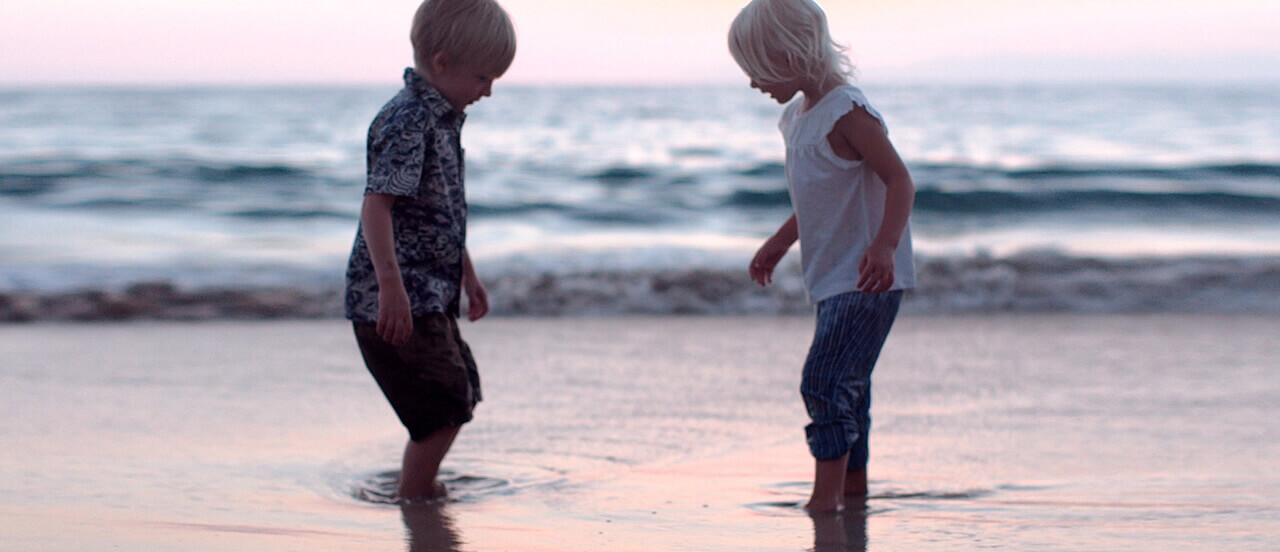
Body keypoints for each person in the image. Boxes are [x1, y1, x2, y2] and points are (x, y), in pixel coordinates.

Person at [728, 0, 917, 512]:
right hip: (831, 276)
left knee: (825, 382)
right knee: (851, 389)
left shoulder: (848, 111)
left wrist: (884, 245)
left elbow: (899, 179)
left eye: (757, 69)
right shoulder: (797, 118)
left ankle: (825, 501)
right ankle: (853, 493)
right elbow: (819, 196)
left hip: (867, 277)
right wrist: (782, 239)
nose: (752, 83)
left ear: (792, 54)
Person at [344, 0, 515, 502]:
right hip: (398, 300)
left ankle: (418, 489)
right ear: (442, 63)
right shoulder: (409, 120)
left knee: (459, 390)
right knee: (442, 404)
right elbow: (377, 208)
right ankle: (416, 494)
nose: (487, 90)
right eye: (482, 77)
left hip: (429, 292)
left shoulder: (442, 118)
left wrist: (469, 275)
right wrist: (391, 291)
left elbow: (438, 211)